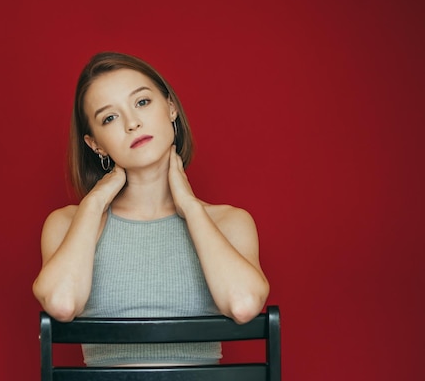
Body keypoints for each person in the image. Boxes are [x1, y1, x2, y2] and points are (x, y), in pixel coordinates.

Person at [32, 51, 269, 366]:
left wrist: (189, 206)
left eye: (142, 102)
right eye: (110, 117)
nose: (133, 123)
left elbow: (243, 304)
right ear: (95, 144)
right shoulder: (66, 223)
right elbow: (61, 304)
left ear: (170, 107)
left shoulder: (229, 222)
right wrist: (95, 203)